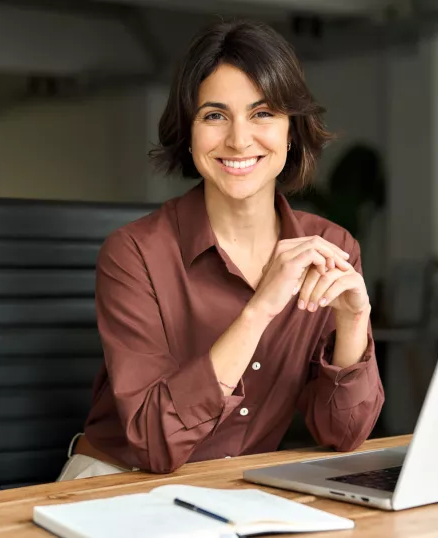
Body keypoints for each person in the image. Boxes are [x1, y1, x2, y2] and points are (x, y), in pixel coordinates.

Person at [57, 19, 384, 481]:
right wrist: (258, 310)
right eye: (214, 116)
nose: (238, 139)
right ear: (189, 134)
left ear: (291, 131)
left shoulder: (332, 247)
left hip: (239, 487)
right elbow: (153, 443)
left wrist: (353, 323)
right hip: (115, 481)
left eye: (262, 113)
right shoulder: (133, 254)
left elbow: (342, 435)